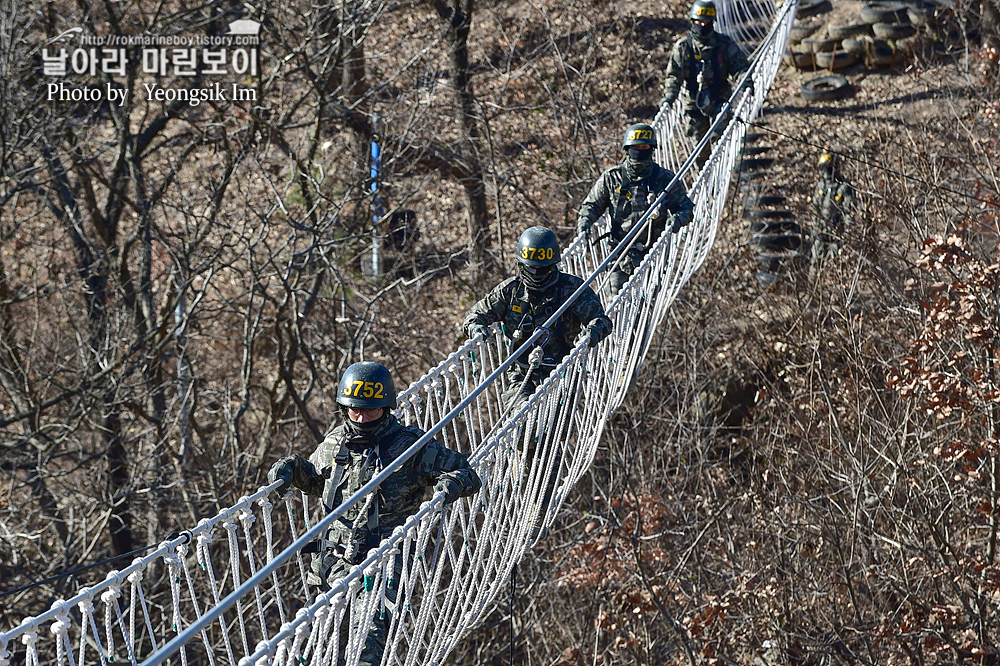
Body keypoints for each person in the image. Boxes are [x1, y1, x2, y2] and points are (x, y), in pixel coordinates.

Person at [267, 361, 482, 666]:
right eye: (355, 409)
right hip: (333, 564)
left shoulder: (409, 446)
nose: (362, 417)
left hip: (383, 563)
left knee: (365, 648)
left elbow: (467, 473)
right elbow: (316, 481)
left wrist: (449, 486)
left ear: (386, 407)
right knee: (320, 648)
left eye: (371, 410)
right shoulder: (334, 443)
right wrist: (292, 469)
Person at [463, 226, 613, 409]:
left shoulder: (572, 290)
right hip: (520, 376)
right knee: (521, 423)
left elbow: (602, 321)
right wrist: (476, 328)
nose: (536, 274)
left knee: (556, 429)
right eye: (531, 268)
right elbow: (475, 316)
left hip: (562, 374)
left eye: (542, 269)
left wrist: (590, 335)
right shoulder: (509, 292)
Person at [576, 123, 696, 296]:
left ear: (651, 148)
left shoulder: (664, 179)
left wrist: (675, 220)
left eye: (644, 147)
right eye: (636, 147)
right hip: (619, 256)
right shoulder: (612, 179)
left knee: (645, 311)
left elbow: (686, 209)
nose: (639, 151)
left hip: (653, 257)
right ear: (627, 149)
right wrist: (585, 223)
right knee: (615, 309)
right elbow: (591, 206)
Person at [660, 0, 752, 167]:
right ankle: (706, 180)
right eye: (699, 21)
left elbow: (740, 67)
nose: (703, 25)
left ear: (712, 22)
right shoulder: (683, 48)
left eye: (706, 22)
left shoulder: (724, 44)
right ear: (692, 21)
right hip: (693, 104)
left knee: (720, 139)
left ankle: (720, 173)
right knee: (699, 149)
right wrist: (669, 98)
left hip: (719, 99)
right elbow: (674, 76)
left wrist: (746, 83)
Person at [809, 152, 854, 278]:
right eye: (824, 168)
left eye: (829, 168)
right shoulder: (820, 187)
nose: (826, 172)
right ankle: (812, 292)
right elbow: (815, 209)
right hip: (821, 232)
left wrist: (846, 236)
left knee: (835, 266)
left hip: (837, 234)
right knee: (815, 262)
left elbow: (849, 212)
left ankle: (836, 294)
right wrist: (815, 229)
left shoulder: (844, 187)